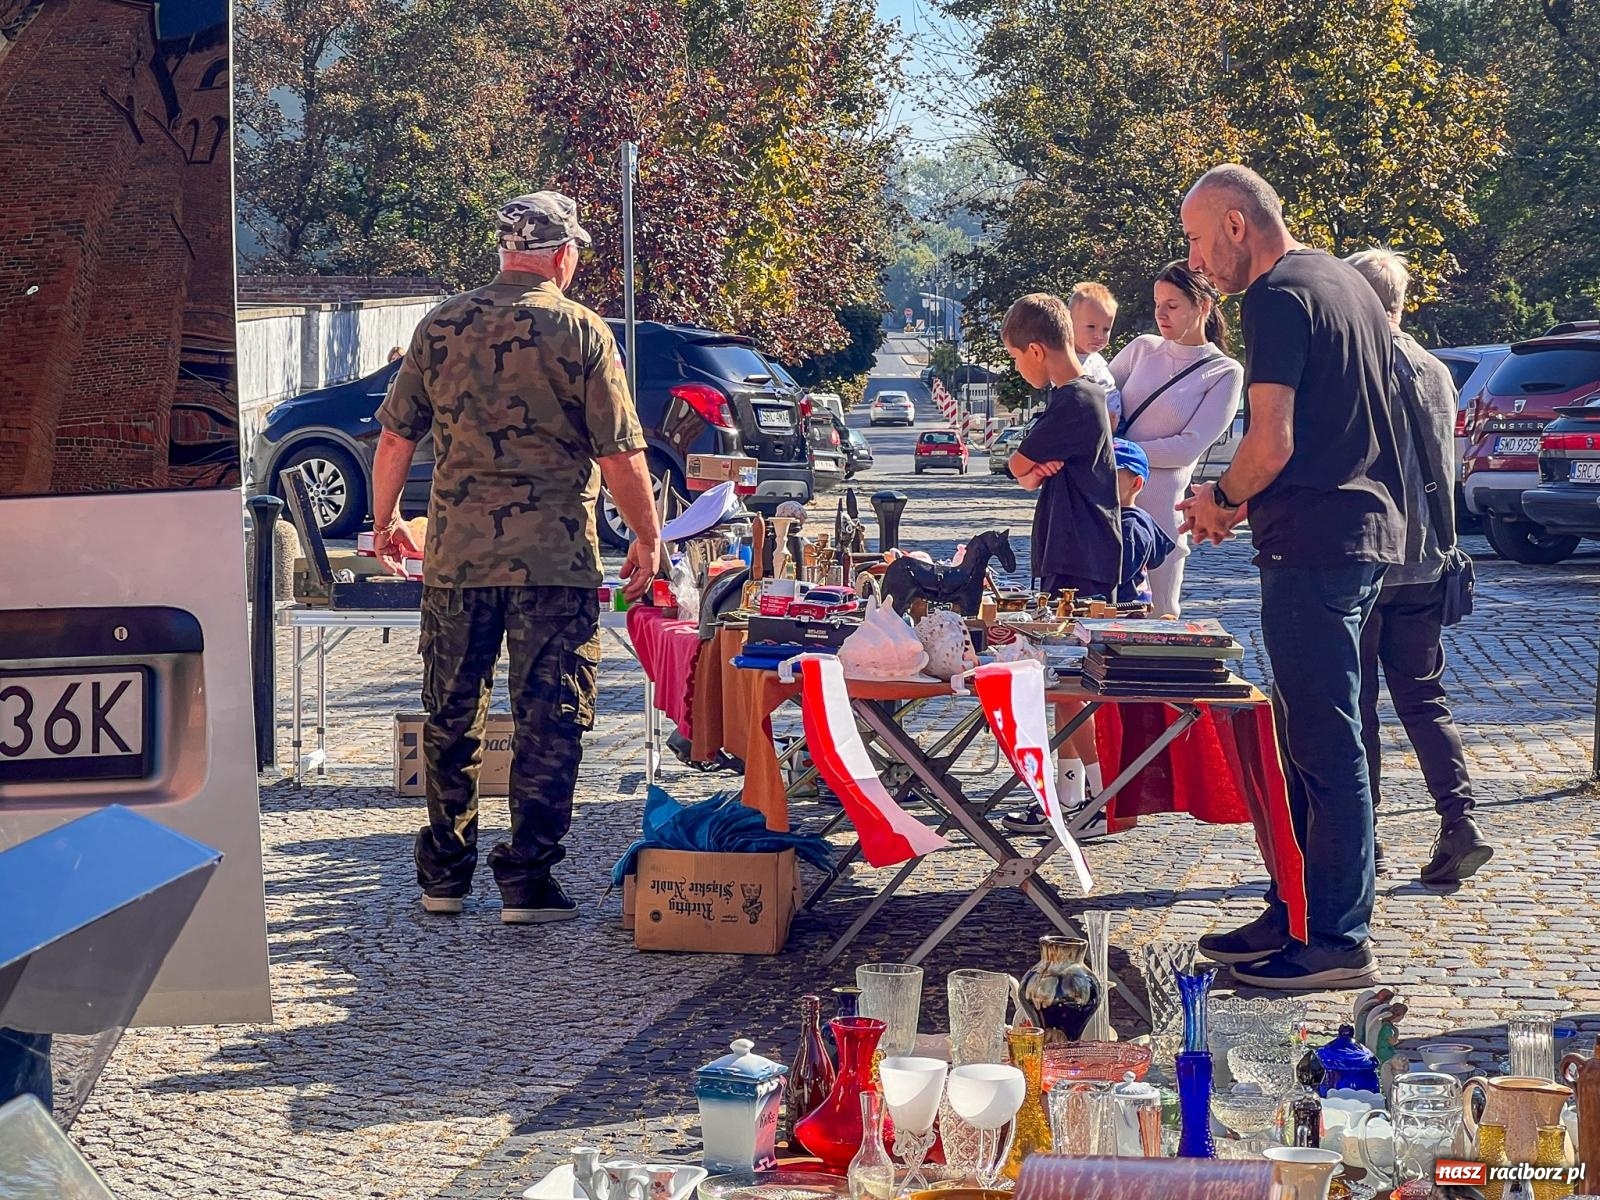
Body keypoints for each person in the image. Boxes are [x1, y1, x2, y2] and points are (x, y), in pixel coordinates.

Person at [370, 190, 664, 924]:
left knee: (450, 713)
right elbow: (620, 452)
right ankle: (527, 881)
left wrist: (385, 522)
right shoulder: (582, 330)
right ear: (562, 256)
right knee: (549, 718)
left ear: (506, 252)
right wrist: (648, 536)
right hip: (553, 561)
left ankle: (444, 876)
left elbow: (396, 437)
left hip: (457, 561)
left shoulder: (441, 324)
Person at [1177, 164, 1405, 990]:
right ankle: (1299, 910)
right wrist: (1243, 497)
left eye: (1199, 239)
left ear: (1238, 225)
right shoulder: (1345, 281)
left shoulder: (1275, 297)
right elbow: (1337, 427)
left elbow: (1270, 442)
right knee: (1314, 736)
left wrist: (1221, 498)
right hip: (1357, 535)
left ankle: (1337, 937)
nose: (1196, 261)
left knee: (1323, 742)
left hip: (1317, 545)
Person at [1344, 248, 1492, 886]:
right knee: (1425, 699)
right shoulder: (1436, 369)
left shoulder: (1357, 365)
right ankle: (1461, 821)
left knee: (1357, 705)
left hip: (1367, 557)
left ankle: (1365, 837)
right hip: (1428, 559)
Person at [998, 293, 1121, 834]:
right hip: (1071, 550)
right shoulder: (1072, 398)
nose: (1016, 369)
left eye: (1015, 358)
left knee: (1075, 684)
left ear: (1035, 350)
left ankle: (1092, 800)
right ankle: (1068, 795)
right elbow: (1026, 474)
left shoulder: (1075, 399)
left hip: (1081, 555)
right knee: (1064, 685)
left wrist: (1026, 468)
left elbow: (1017, 463)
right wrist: (1028, 471)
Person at [1108, 262, 1243, 617]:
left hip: (1159, 519)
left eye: (1172, 305)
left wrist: (1115, 453)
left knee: (1159, 618)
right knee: (1093, 616)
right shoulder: (1142, 348)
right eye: (1157, 303)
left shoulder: (1224, 371)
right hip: (1105, 504)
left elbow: (1186, 448)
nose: (1161, 314)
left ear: (1203, 306)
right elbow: (1097, 399)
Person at [1110, 438, 1177, 606]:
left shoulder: (1130, 527)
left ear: (1136, 483)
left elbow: (1115, 576)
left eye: (1110, 477)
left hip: (1123, 610)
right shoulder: (1141, 519)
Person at [1068, 282, 1122, 421]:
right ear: (1069, 323)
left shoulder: (1095, 357)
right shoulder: (1068, 360)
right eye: (1091, 327)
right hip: (1093, 423)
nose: (1099, 335)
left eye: (1106, 329)